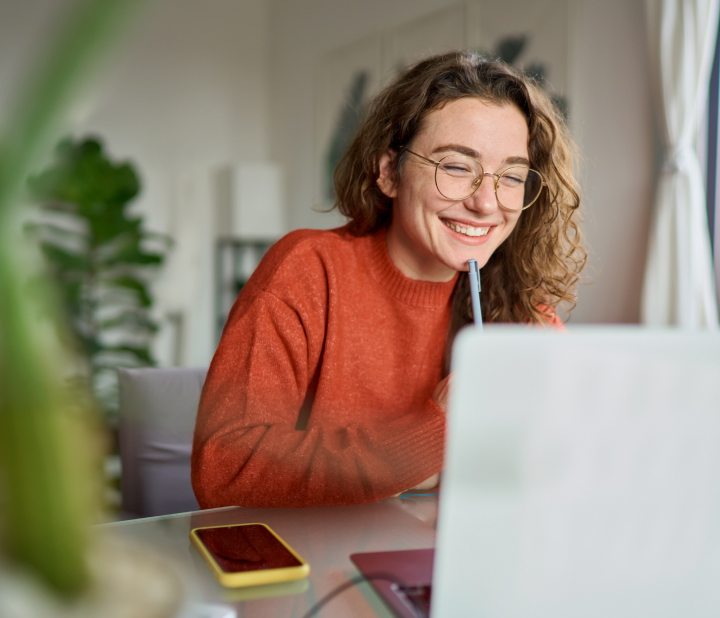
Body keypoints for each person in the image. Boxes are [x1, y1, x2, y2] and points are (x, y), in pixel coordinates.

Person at [191, 51, 586, 508]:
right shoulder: (307, 271)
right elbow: (224, 469)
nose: (486, 202)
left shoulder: (518, 302)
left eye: (511, 176)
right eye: (457, 167)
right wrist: (435, 431)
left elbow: (565, 462)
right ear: (388, 172)